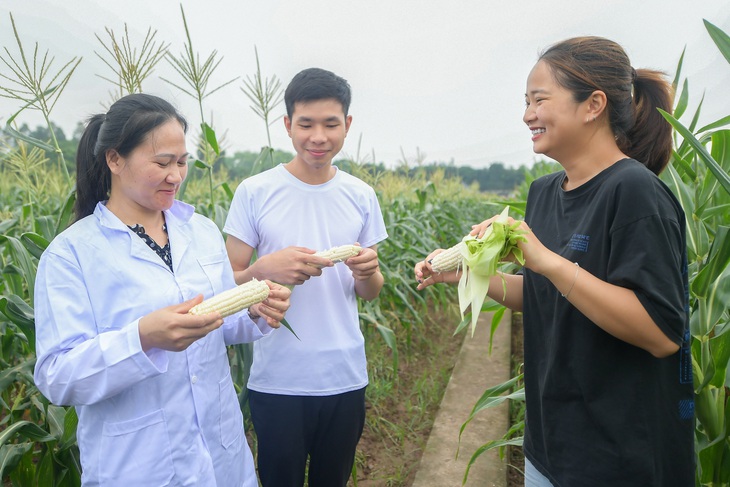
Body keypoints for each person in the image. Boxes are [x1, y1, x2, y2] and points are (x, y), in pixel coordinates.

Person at [415, 37, 694, 486]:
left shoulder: (634, 192)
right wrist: (471, 274)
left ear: (593, 105)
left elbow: (661, 333)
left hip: (619, 455)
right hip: (550, 442)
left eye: (540, 100)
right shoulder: (544, 192)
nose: (528, 114)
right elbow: (543, 294)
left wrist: (547, 261)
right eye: (526, 101)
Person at [33, 93, 291, 487]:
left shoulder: (201, 231)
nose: (176, 175)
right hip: (139, 466)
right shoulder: (70, 255)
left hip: (221, 455)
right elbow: (57, 376)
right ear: (115, 159)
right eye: (162, 163)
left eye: (182, 162)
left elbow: (221, 321)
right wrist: (142, 338)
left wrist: (256, 310)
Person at [224, 67, 388, 486]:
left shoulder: (360, 195)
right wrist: (263, 269)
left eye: (331, 124)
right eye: (306, 124)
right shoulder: (255, 191)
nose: (319, 136)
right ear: (287, 126)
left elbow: (368, 292)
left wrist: (368, 272)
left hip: (344, 376)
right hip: (278, 380)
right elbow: (226, 282)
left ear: (347, 126)